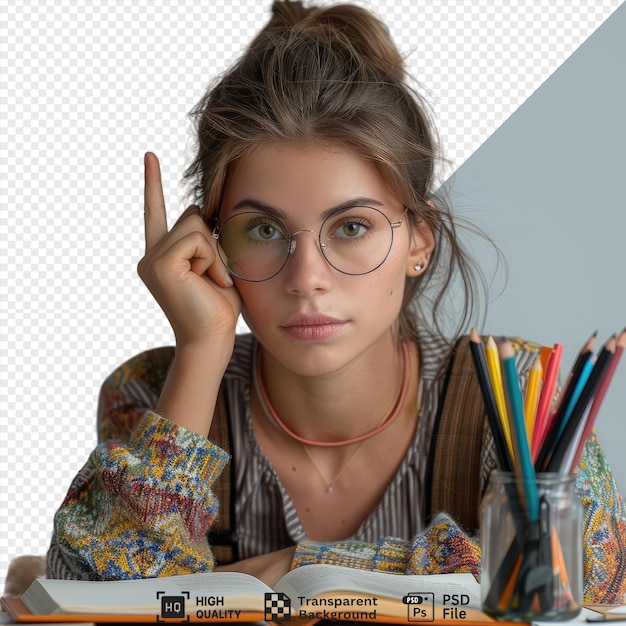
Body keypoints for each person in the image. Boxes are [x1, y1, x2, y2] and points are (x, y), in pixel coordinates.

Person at [44, 0, 624, 603]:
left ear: (418, 241)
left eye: (351, 227)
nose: (307, 279)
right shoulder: (153, 392)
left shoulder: (520, 396)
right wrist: (201, 348)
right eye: (264, 231)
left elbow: (586, 579)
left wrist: (305, 566)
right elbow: (90, 596)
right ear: (212, 245)